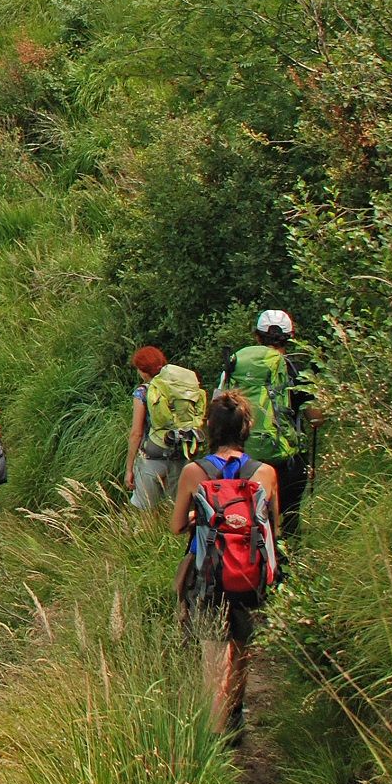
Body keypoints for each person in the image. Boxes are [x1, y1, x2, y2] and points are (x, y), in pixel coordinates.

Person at [171, 390, 281, 738]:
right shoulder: (266, 473)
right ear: (246, 427)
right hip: (250, 573)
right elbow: (273, 529)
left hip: (208, 575)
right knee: (242, 649)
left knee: (212, 655)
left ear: (209, 428)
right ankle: (235, 719)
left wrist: (199, 517)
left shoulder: (194, 471)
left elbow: (175, 527)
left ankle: (212, 737)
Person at [218, 309, 315, 538]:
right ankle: (287, 565)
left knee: (247, 515)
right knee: (290, 514)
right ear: (290, 336)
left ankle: (250, 565)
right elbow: (315, 417)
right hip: (287, 456)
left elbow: (218, 407)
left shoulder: (236, 367)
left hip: (243, 456)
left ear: (257, 336)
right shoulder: (298, 370)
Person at [126, 345, 208, 512]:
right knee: (177, 509)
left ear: (143, 371)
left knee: (146, 513)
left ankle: (150, 538)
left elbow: (136, 433)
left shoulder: (142, 392)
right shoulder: (181, 388)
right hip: (181, 453)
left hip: (153, 454)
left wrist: (129, 469)